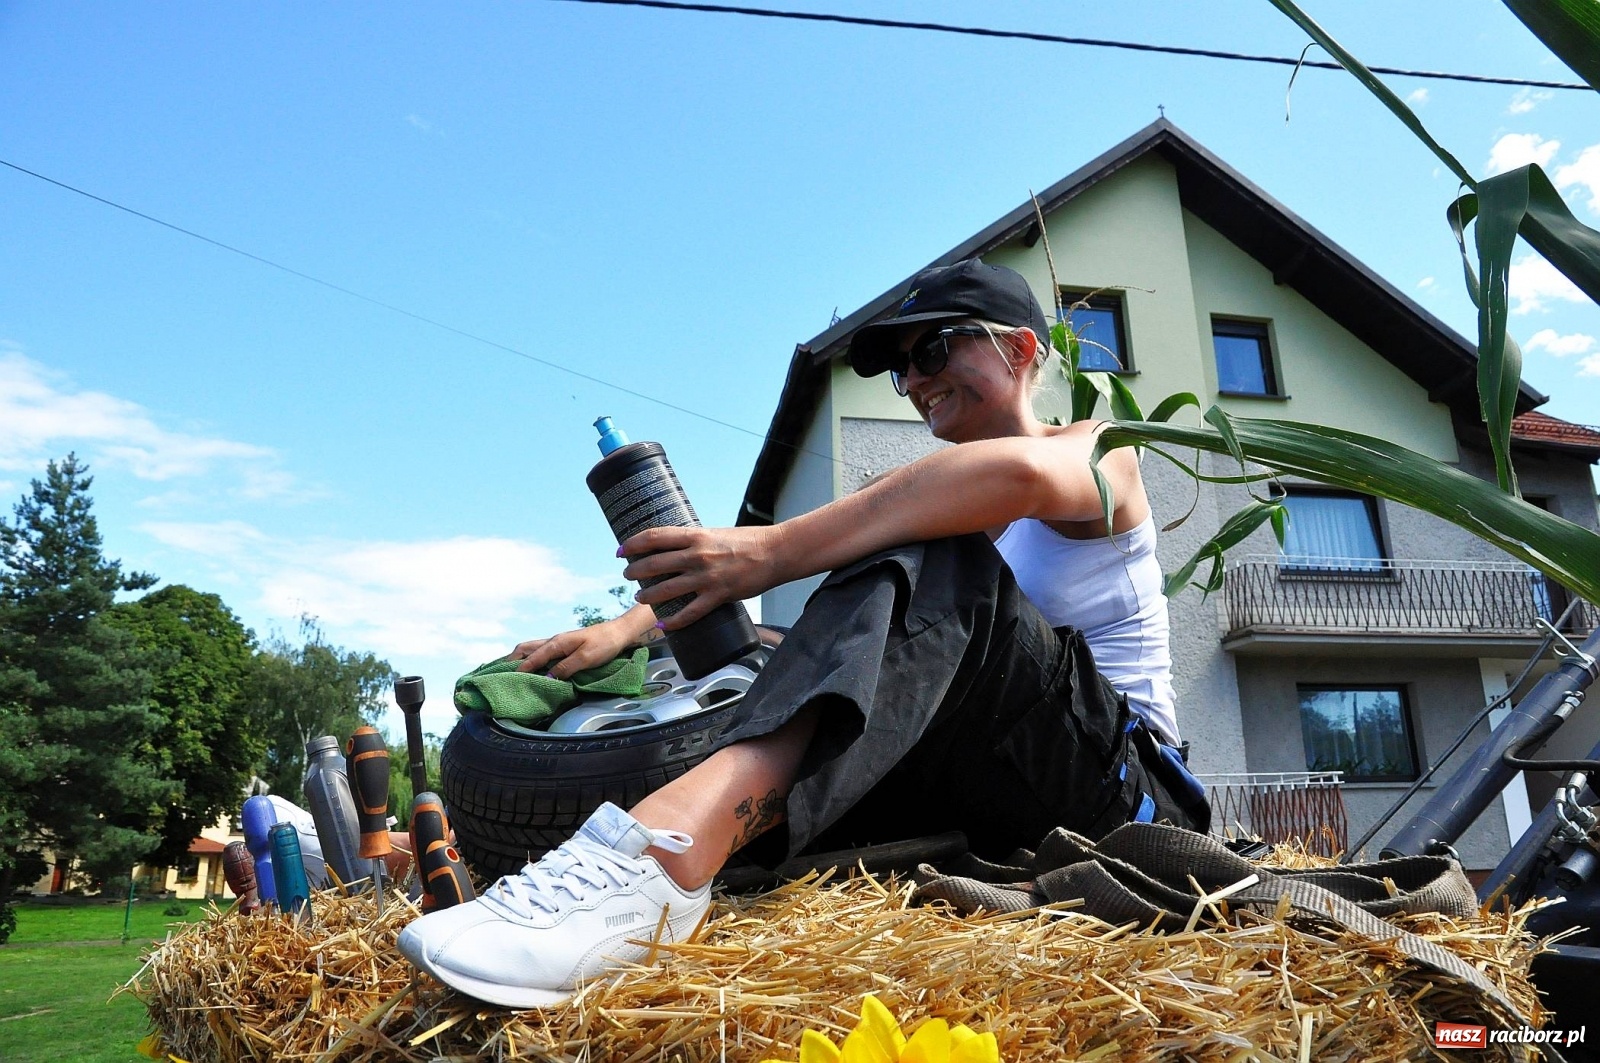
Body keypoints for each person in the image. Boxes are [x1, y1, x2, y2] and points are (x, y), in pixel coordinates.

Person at [398, 257, 1209, 1008]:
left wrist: (769, 551)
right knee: (793, 642)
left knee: (917, 537)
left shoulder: (1101, 451)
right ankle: (594, 873)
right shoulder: (952, 533)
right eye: (903, 370)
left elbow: (1016, 475)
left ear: (1020, 349)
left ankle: (660, 860)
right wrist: (630, 629)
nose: (916, 381)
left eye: (933, 350)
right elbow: (854, 626)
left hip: (1131, 802)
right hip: (1001, 798)